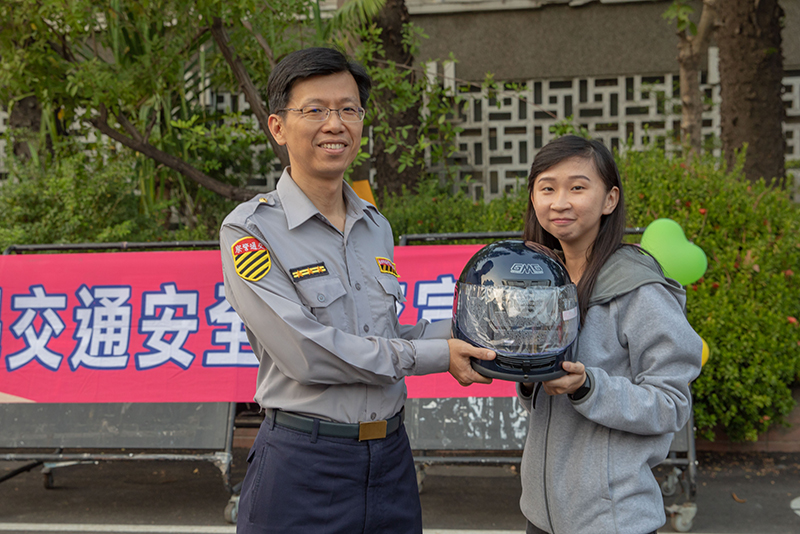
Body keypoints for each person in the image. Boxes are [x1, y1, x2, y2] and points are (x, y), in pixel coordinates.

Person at [219, 47, 495, 534]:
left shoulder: (374, 225)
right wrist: (435, 355)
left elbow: (383, 332)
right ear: (278, 127)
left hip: (389, 461)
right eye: (315, 110)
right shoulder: (250, 230)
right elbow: (307, 353)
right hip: (304, 466)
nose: (335, 124)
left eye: (348, 109)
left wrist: (491, 332)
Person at [518, 135, 703, 534]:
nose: (560, 201)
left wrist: (588, 388)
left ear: (610, 199)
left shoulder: (639, 288)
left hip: (614, 521)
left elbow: (672, 404)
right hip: (540, 516)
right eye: (547, 187)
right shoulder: (539, 281)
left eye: (578, 187)